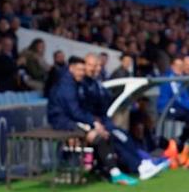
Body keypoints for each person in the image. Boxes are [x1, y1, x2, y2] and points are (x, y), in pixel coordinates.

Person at [46, 56, 163, 185]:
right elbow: (74, 111)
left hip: (74, 120)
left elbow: (83, 109)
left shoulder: (79, 83)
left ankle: (133, 165)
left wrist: (94, 122)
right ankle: (122, 170)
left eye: (83, 69)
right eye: (80, 69)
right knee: (101, 136)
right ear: (71, 69)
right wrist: (93, 123)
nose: (83, 72)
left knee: (116, 134)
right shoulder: (68, 86)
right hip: (64, 122)